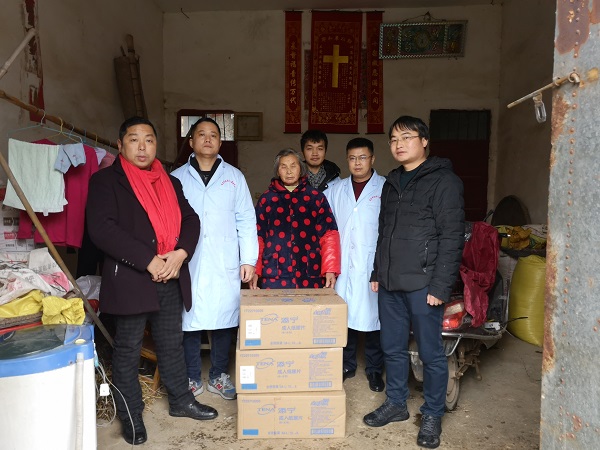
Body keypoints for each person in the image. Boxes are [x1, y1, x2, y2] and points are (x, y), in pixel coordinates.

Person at [86, 117, 217, 446]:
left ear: (156, 145)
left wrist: (180, 254)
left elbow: (190, 219)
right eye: (134, 140)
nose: (142, 147)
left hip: (170, 275)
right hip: (132, 278)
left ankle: (181, 401)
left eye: (149, 140)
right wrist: (148, 260)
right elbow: (102, 229)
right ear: (120, 145)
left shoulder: (170, 182)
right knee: (128, 349)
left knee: (171, 343)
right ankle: (131, 414)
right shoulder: (106, 181)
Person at [364, 116, 465, 449]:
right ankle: (396, 403)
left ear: (424, 141)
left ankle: (432, 413)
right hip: (390, 282)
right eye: (394, 139)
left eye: (407, 137)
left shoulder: (444, 181)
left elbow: (451, 237)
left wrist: (440, 286)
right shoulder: (392, 181)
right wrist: (378, 271)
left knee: (431, 353)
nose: (399, 144)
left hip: (424, 283)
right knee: (392, 348)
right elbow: (384, 232)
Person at [171, 117, 258, 402]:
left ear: (220, 143)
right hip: (189, 259)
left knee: (224, 318)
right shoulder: (176, 177)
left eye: (213, 135)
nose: (207, 139)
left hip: (224, 258)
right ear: (191, 142)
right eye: (201, 134)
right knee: (189, 318)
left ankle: (219, 375)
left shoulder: (235, 177)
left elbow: (246, 219)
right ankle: (192, 377)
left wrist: (248, 260)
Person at [324, 137, 386, 392]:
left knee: (374, 319)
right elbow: (323, 223)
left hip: (373, 265)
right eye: (352, 158)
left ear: (372, 159)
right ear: (347, 160)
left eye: (363, 157)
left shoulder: (385, 188)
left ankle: (374, 369)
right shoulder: (335, 189)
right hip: (343, 265)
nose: (357, 163)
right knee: (344, 316)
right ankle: (347, 364)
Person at [250, 148, 340, 290]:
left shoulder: (315, 198)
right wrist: (255, 269)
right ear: (277, 171)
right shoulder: (267, 199)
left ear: (301, 169)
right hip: (274, 274)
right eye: (283, 167)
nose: (289, 171)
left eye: (293, 166)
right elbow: (257, 237)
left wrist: (330, 269)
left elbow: (329, 234)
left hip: (310, 273)